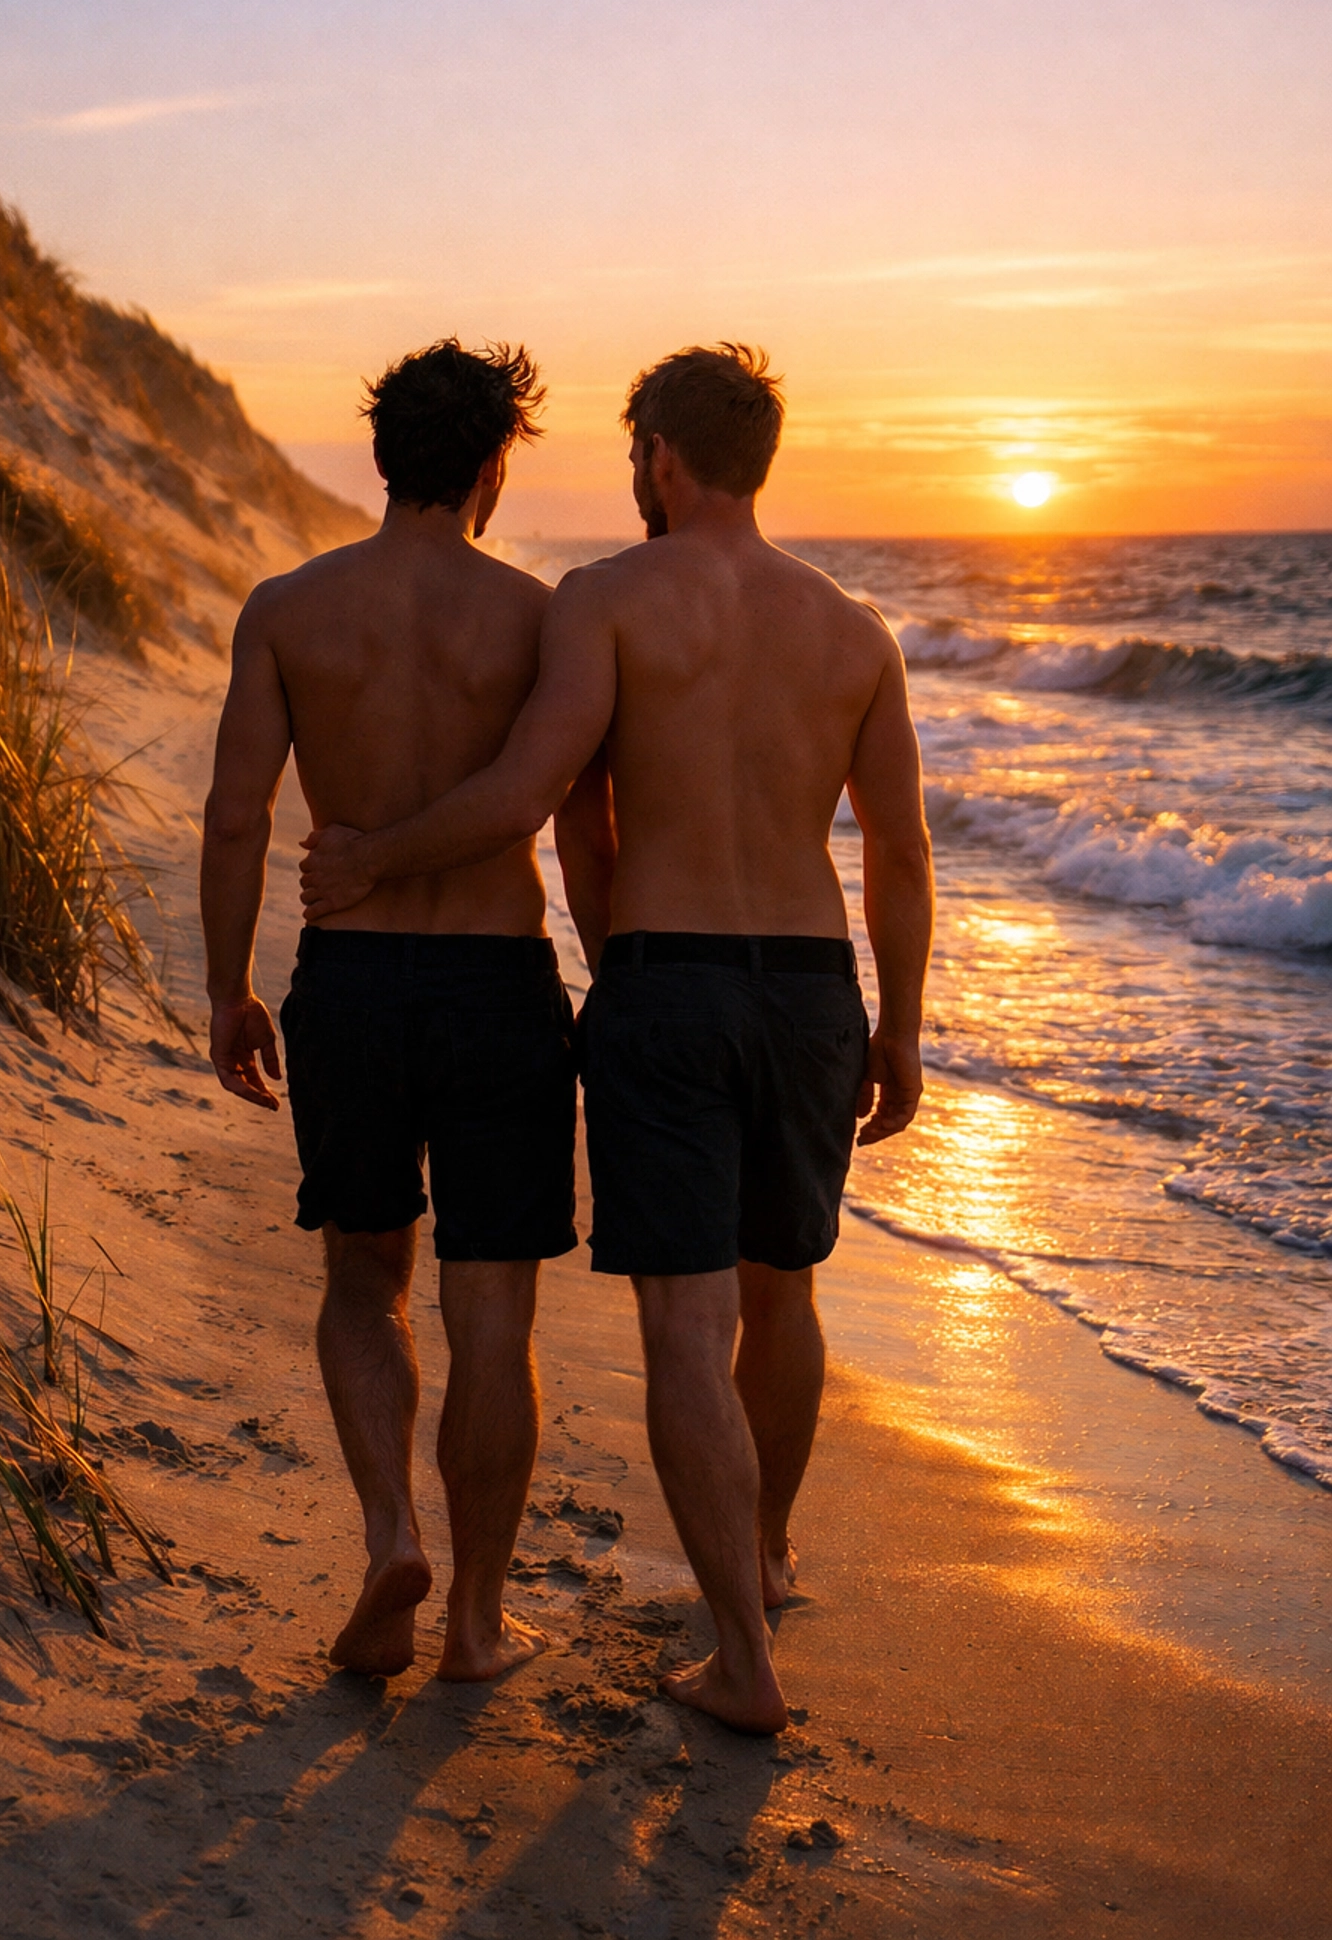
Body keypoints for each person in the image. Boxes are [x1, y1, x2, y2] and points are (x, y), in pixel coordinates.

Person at [298, 342, 933, 1735]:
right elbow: (899, 858)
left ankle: (742, 1663)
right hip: (816, 989)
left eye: (637, 449)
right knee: (789, 1293)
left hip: (669, 987)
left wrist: (396, 865)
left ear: (661, 455)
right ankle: (760, 1568)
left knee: (688, 1327)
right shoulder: (857, 632)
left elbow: (543, 796)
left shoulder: (605, 601)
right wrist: (906, 1028)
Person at [201, 337, 605, 1682]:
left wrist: (228, 988)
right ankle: (479, 1624)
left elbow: (239, 813)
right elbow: (560, 808)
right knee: (495, 1312)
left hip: (353, 986)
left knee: (363, 1282)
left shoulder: (289, 609)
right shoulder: (542, 618)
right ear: (497, 464)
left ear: (382, 461)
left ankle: (388, 1535)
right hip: (497, 985)